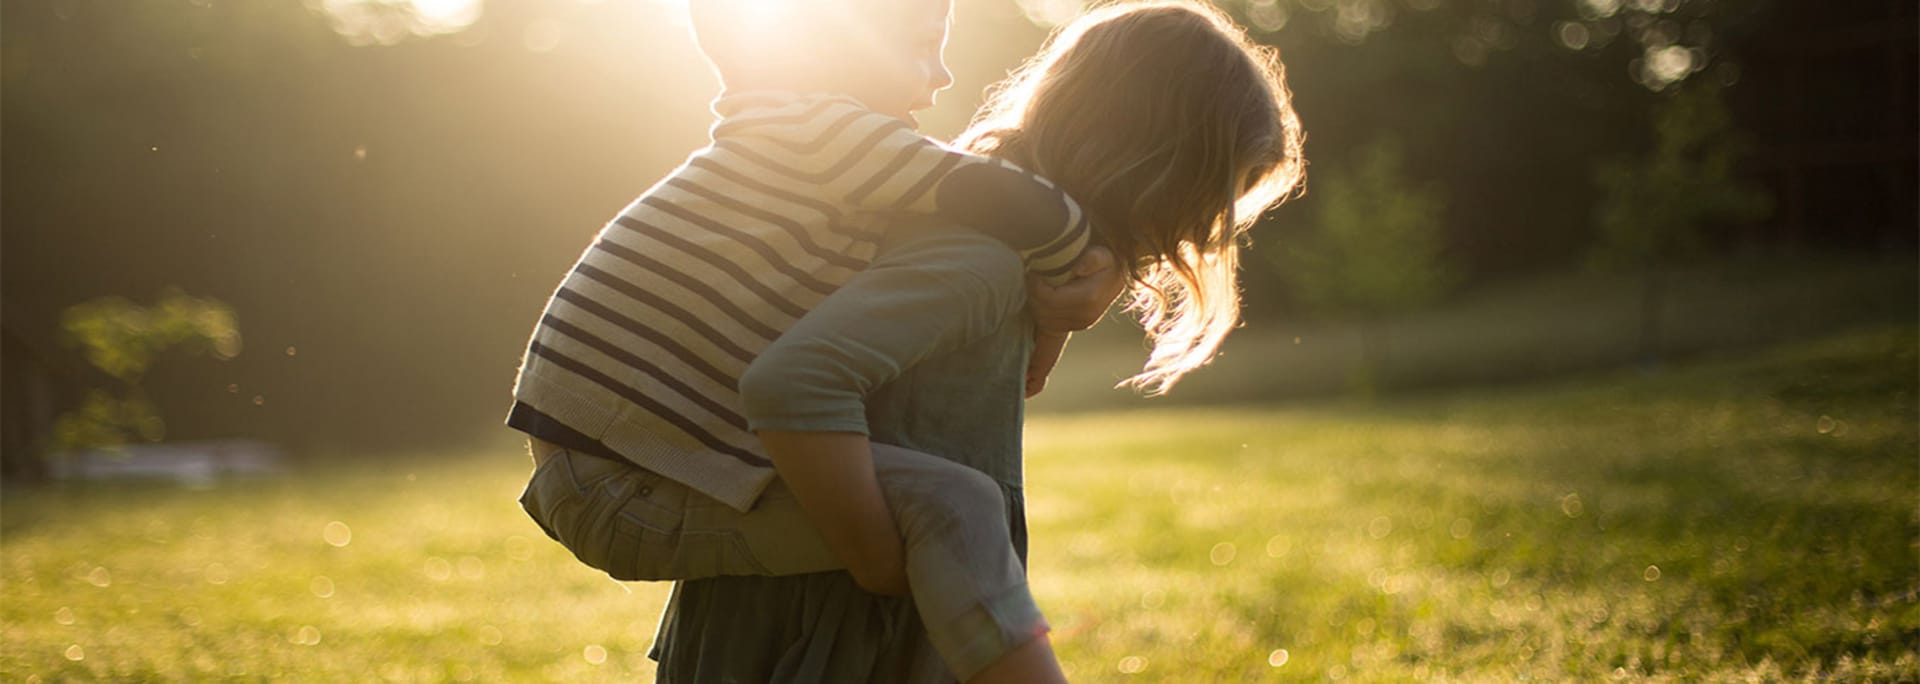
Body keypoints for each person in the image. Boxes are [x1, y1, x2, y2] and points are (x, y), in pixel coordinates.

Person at [649, 1, 1306, 681]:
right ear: (1153, 164)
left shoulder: (1004, 255)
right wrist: (879, 558)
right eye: (1210, 198)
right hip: (823, 632)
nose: (1202, 233)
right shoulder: (978, 262)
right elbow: (796, 383)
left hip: (857, 615)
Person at [509, 0, 1122, 680]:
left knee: (942, 506)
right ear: (834, 47)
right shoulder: (821, 135)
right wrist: (1087, 263)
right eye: (923, 45)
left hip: (614, 471)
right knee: (955, 506)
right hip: (622, 485)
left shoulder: (790, 141)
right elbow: (1012, 200)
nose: (944, 75)